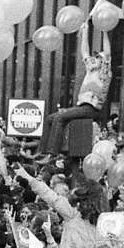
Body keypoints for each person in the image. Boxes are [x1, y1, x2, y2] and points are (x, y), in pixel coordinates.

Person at [40, 22, 111, 155]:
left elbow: (107, 52)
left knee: (60, 118)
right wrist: (85, 32)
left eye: (97, 57)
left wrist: (104, 30)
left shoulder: (104, 73)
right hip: (82, 107)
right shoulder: (91, 70)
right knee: (50, 118)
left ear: (103, 61)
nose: (94, 58)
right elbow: (84, 52)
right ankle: (41, 151)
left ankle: (52, 153)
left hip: (91, 108)